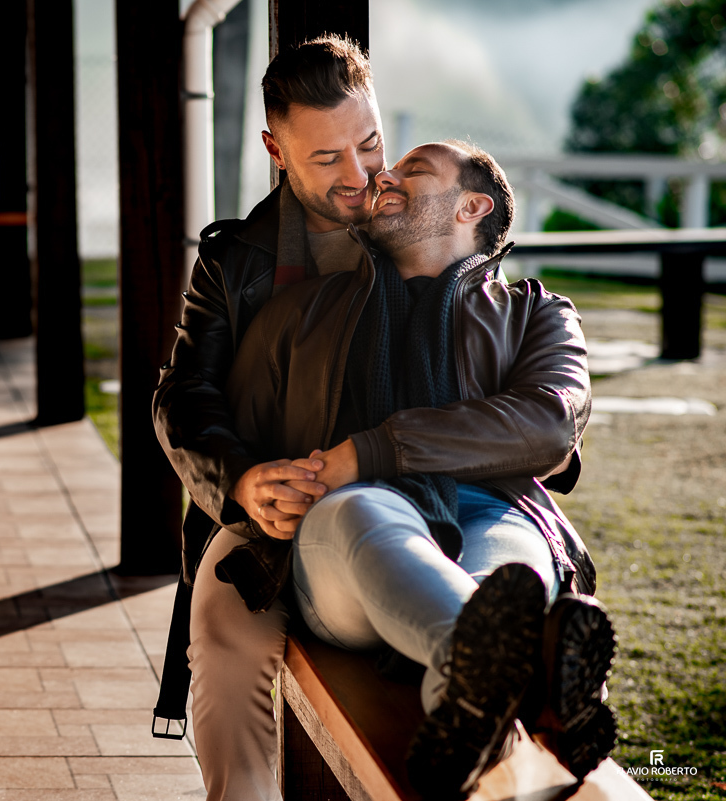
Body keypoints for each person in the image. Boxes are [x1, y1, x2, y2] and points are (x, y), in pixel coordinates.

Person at [224, 140, 616, 797]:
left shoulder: (536, 314)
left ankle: (472, 706)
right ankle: (540, 680)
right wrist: (258, 484)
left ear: (472, 206)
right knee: (363, 509)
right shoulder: (304, 309)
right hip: (344, 532)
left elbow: (550, 422)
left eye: (415, 168)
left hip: (495, 510)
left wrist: (380, 445)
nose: (386, 175)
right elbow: (234, 434)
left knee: (512, 583)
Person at [151, 34, 390, 800]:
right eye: (327, 159)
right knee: (221, 629)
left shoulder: (429, 221)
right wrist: (244, 481)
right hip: (265, 521)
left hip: (404, 504)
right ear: (274, 149)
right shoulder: (234, 262)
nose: (359, 177)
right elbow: (183, 398)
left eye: (370, 143)